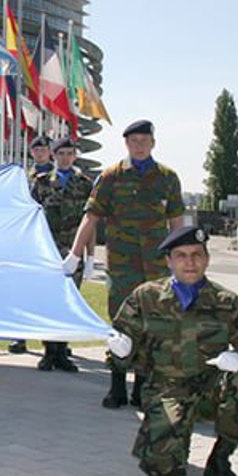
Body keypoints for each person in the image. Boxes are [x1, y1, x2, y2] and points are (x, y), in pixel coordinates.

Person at [105, 225, 238, 476]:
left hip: (211, 388)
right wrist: (121, 353)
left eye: (197, 254)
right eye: (181, 255)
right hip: (166, 389)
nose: (190, 262)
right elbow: (118, 357)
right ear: (169, 261)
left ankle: (220, 459)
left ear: (207, 258)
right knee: (162, 470)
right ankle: (170, 439)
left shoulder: (226, 302)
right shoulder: (146, 297)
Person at [68, 119, 185, 409]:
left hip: (156, 267)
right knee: (121, 326)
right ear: (126, 144)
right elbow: (91, 217)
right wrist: (75, 254)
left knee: (152, 326)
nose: (139, 145)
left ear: (153, 143)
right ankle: (117, 386)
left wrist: (180, 260)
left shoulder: (167, 178)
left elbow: (177, 222)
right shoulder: (111, 176)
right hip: (122, 267)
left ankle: (141, 389)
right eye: (134, 141)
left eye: (144, 140)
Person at [29, 136, 95, 372]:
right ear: (53, 156)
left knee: (69, 302)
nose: (65, 158)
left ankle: (62, 352)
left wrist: (90, 257)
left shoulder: (85, 184)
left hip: (74, 253)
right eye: (61, 154)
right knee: (49, 301)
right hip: (49, 252)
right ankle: (48, 351)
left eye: (69, 154)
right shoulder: (42, 183)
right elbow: (31, 219)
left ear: (75, 156)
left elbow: (91, 222)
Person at [10, 135, 55, 355]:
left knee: (53, 293)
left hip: (54, 240)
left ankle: (56, 343)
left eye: (43, 149)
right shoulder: (21, 178)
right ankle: (20, 337)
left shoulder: (59, 177)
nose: (39, 153)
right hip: (27, 240)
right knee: (23, 290)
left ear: (50, 151)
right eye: (35, 150)